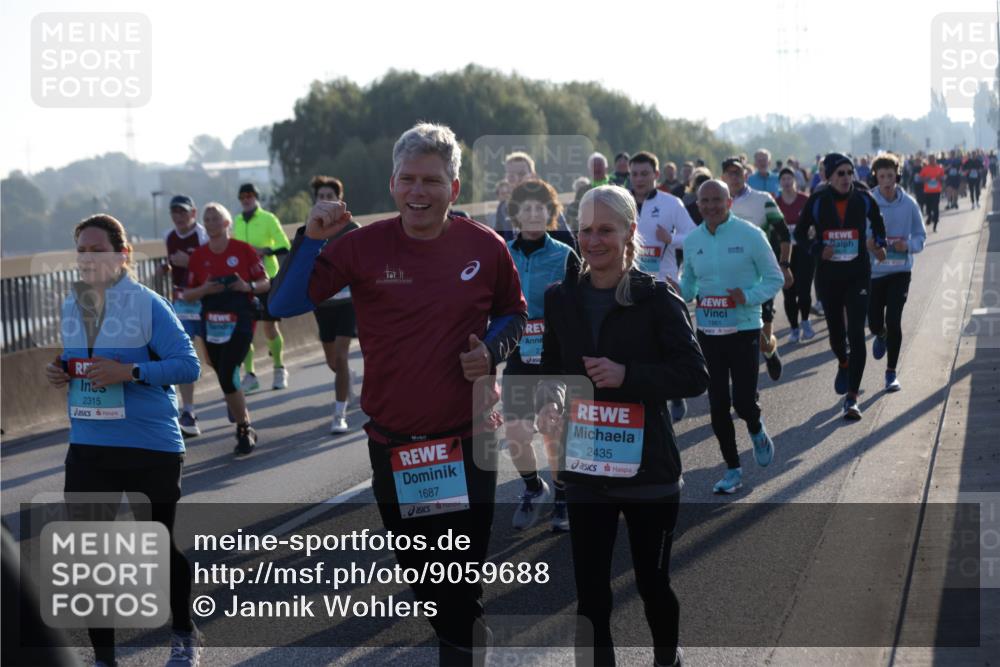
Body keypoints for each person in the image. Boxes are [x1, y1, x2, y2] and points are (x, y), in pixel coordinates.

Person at [269, 122, 527, 666]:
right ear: (392, 184)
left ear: (453, 188)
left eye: (431, 180)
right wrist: (312, 237)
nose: (418, 191)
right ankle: (468, 640)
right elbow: (282, 305)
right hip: (394, 447)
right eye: (408, 179)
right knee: (422, 576)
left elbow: (514, 313)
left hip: (468, 439)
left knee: (459, 583)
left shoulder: (486, 245)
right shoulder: (360, 247)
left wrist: (493, 352)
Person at [535, 184, 709, 667]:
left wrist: (628, 376)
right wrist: (549, 404)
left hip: (648, 472)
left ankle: (667, 659)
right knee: (591, 597)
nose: (593, 241)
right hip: (587, 468)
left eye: (605, 230)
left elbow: (695, 374)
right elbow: (553, 369)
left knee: (652, 585)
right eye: (585, 230)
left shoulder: (657, 298)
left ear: (630, 231)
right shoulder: (560, 298)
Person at [45, 214, 203, 667]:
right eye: (81, 251)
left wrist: (131, 372)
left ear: (123, 254)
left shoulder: (147, 304)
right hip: (90, 445)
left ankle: (182, 631)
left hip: (149, 446)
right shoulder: (72, 305)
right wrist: (62, 368)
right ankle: (104, 658)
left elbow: (187, 366)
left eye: (98, 250)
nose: (88, 259)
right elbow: (80, 359)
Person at [680, 180, 783, 493]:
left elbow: (774, 277)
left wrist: (749, 296)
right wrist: (677, 290)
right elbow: (689, 285)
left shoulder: (751, 235)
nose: (710, 206)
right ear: (698, 205)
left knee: (743, 400)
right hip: (708, 330)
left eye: (716, 200)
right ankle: (732, 469)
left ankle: (756, 428)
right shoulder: (693, 238)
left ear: (729, 202)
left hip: (744, 328)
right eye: (704, 201)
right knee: (718, 403)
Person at [502, 179, 581, 532]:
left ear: (550, 214)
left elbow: (581, 305)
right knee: (517, 434)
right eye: (526, 209)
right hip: (519, 358)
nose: (533, 214)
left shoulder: (565, 254)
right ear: (515, 215)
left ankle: (563, 495)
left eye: (540, 209)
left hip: (554, 359)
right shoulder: (503, 252)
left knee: (553, 427)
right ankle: (535, 488)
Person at [795, 153, 887, 420]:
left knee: (856, 333)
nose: (847, 178)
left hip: (858, 275)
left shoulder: (864, 198)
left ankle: (853, 398)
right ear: (828, 177)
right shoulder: (817, 201)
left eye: (850, 172)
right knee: (837, 337)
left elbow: (878, 223)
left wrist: (879, 243)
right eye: (841, 173)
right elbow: (800, 234)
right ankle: (843, 363)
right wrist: (817, 248)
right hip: (829, 277)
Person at [183, 203, 270, 455]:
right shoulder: (199, 256)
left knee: (228, 369)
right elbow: (188, 293)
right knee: (221, 369)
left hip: (241, 318)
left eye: (216, 218)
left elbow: (264, 283)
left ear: (226, 223)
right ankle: (236, 401)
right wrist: (205, 290)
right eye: (207, 218)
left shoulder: (243, 250)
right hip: (211, 320)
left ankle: (244, 427)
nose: (210, 222)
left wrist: (246, 286)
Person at [629, 151, 697, 422]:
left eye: (645, 173)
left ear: (656, 175)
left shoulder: (672, 203)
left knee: (669, 339)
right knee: (640, 343)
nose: (639, 179)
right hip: (630, 284)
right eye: (635, 174)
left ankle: (676, 393)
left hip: (664, 281)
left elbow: (693, 236)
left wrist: (670, 238)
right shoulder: (620, 202)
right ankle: (652, 400)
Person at [721, 156, 792, 381]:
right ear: (723, 177)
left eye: (737, 172)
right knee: (732, 334)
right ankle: (746, 387)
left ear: (746, 174)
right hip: (727, 277)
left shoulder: (763, 199)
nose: (734, 177)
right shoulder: (716, 203)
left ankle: (769, 351)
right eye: (729, 173)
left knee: (760, 336)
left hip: (760, 276)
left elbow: (783, 233)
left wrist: (785, 265)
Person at [307, 176, 360, 433]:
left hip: (348, 303)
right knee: (333, 362)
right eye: (321, 197)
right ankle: (346, 377)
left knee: (340, 356)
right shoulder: (311, 231)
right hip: (323, 304)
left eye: (330, 196)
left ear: (339, 199)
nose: (326, 201)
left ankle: (339, 414)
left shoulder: (352, 229)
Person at [869, 154, 926, 392]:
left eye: (890, 176)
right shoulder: (868, 202)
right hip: (874, 273)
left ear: (897, 175)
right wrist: (871, 245)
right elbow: (860, 233)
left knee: (894, 320)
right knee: (873, 323)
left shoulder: (909, 204)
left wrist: (908, 246)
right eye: (881, 176)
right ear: (876, 177)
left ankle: (891, 373)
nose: (886, 181)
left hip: (900, 271)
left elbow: (921, 237)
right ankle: (879, 334)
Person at [232, 183, 291, 391]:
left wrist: (265, 250)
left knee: (269, 326)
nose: (246, 199)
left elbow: (285, 246)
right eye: (242, 196)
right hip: (244, 283)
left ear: (256, 197)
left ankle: (279, 368)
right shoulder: (237, 221)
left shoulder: (268, 218)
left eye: (249, 195)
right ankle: (250, 375)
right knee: (245, 330)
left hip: (267, 279)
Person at [163, 194, 208, 436]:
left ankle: (234, 398)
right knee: (184, 355)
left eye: (183, 211)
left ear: (193, 212)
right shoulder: (168, 237)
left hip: (206, 302)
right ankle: (189, 412)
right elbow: (174, 263)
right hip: (181, 304)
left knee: (213, 358)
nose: (178, 216)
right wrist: (168, 268)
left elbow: (213, 264)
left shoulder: (202, 234)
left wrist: (189, 260)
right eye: (174, 212)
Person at [774, 167, 816, 342]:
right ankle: (793, 328)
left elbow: (815, 221)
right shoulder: (775, 203)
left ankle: (805, 321)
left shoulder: (805, 200)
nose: (786, 182)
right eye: (783, 179)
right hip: (784, 252)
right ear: (780, 182)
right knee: (789, 291)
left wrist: (813, 230)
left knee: (804, 290)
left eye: (789, 178)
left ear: (795, 181)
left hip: (804, 252)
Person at [919, 154, 944, 233]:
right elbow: (921, 178)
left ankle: (935, 226)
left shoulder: (939, 168)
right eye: (930, 159)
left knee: (936, 208)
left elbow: (943, 178)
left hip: (937, 191)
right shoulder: (925, 169)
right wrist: (925, 179)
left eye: (933, 159)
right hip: (928, 191)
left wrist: (939, 178)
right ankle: (929, 216)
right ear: (928, 160)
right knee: (928, 208)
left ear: (935, 159)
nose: (931, 161)